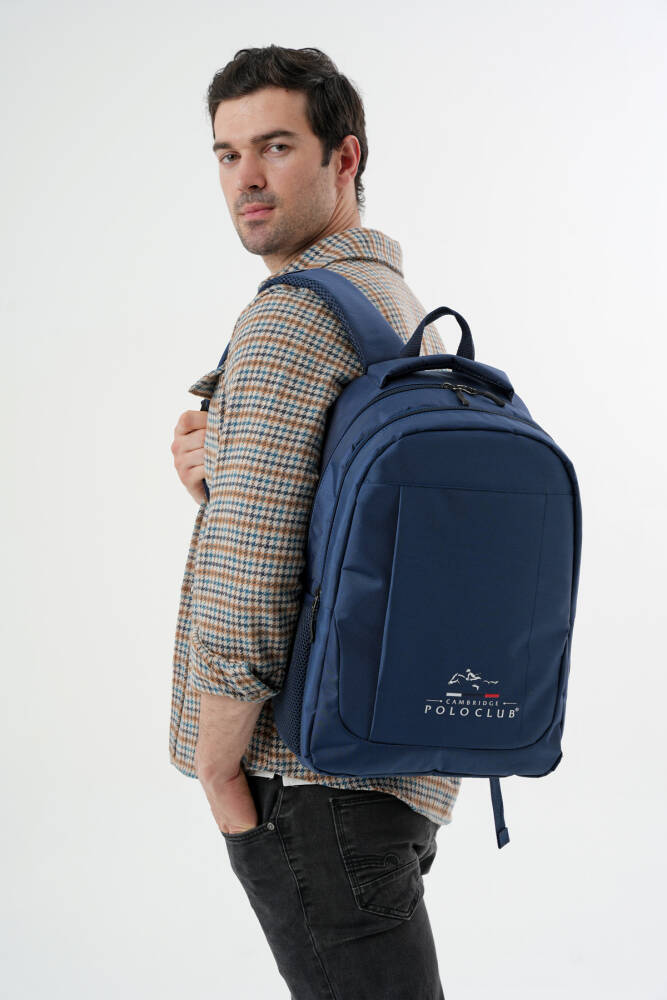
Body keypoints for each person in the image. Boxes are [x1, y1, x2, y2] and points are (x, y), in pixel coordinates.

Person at [169, 44, 461, 1000]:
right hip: (395, 766)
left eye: (276, 146)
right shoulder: (402, 313)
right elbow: (347, 529)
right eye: (227, 154)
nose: (245, 178)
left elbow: (253, 567)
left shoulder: (291, 317)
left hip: (305, 777)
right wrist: (223, 482)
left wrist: (217, 769)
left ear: (345, 157)